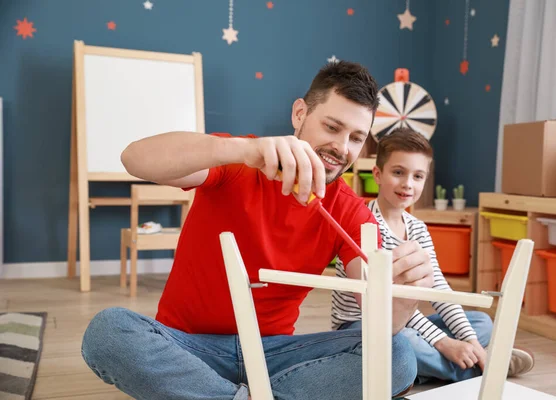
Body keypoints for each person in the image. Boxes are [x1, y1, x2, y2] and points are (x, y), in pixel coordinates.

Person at [81, 61, 435, 400]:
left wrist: (402, 304)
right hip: (186, 347)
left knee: (399, 355)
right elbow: (133, 158)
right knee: (108, 332)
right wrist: (239, 149)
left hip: (272, 355)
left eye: (357, 138)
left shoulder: (348, 209)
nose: (342, 148)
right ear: (300, 114)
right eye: (332, 127)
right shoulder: (238, 159)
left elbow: (377, 318)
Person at [331, 127, 535, 385]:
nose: (408, 184)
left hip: (404, 320)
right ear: (378, 174)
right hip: (361, 326)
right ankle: (484, 368)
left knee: (480, 323)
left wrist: (470, 340)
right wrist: (445, 342)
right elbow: (388, 304)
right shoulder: (363, 226)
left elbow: (438, 288)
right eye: (398, 172)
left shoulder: (418, 228)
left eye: (418, 176)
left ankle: (426, 369)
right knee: (403, 342)